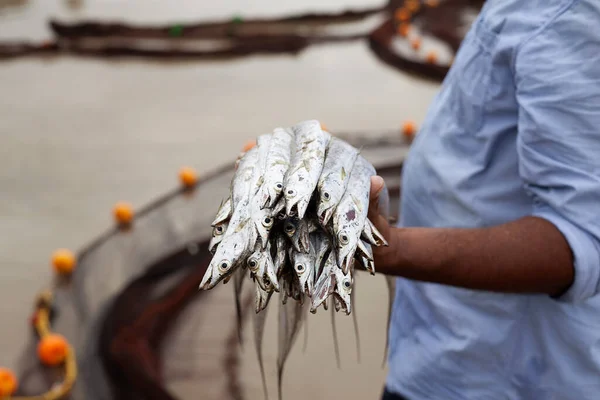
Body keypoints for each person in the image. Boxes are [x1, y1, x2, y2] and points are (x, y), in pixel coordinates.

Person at [367, 1, 600, 399]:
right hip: (442, 356)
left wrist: (391, 248)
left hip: (494, 378)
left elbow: (581, 239)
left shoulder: (569, 13)